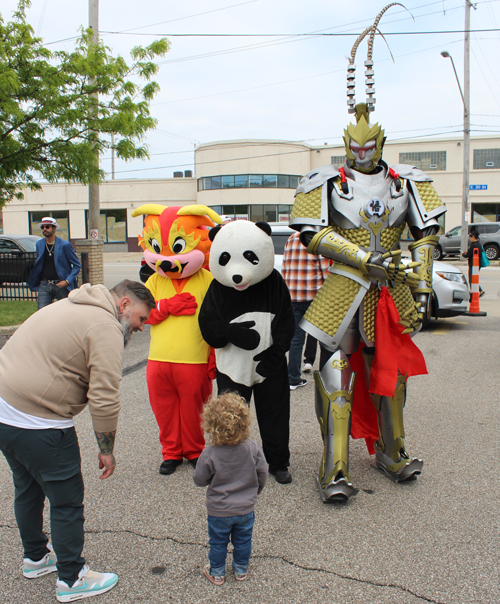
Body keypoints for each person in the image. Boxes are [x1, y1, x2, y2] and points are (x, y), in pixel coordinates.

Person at [0, 279, 155, 603]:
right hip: (38, 420)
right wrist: (106, 449)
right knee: (67, 499)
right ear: (124, 305)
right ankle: (72, 579)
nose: (141, 328)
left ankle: (36, 558)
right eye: (141, 319)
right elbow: (104, 397)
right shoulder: (105, 326)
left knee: (27, 487)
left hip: (5, 411)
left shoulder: (73, 303)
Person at [193, 392, 268, 585]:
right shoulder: (252, 448)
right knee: (243, 541)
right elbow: (262, 473)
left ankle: (217, 572)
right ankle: (241, 569)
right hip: (245, 508)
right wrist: (255, 491)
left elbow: (200, 480)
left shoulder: (210, 453)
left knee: (218, 542)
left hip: (219, 509)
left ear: (211, 425)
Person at [281, 231, 329, 389]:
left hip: (293, 296)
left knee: (296, 339)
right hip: (314, 296)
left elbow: (285, 266)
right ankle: (326, 377)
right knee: (324, 338)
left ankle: (292, 378)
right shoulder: (317, 237)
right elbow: (325, 270)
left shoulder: (291, 238)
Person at [29, 217, 81, 310]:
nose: (44, 229)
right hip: (45, 285)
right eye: (42, 227)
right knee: (42, 313)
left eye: (47, 227)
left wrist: (67, 281)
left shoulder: (65, 245)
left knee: (65, 312)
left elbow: (77, 265)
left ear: (54, 229)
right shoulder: (39, 244)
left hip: (60, 285)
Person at [462, 229, 485, 297]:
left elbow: (467, 255)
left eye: (470, 236)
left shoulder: (474, 245)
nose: (470, 238)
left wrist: (463, 254)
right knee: (474, 279)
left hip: (473, 265)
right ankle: (480, 290)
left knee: (472, 280)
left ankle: (474, 293)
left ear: (473, 237)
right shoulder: (478, 244)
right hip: (477, 264)